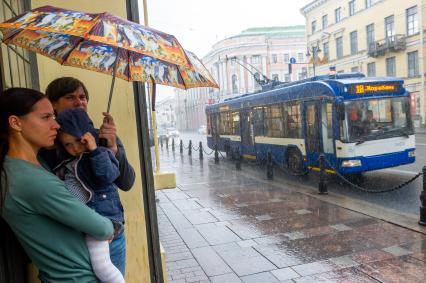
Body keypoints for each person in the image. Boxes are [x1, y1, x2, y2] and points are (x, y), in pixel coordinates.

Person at [0, 88, 114, 282]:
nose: (56, 125)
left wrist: (110, 149)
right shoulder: (32, 181)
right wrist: (108, 225)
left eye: (54, 116)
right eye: (46, 117)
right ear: (15, 123)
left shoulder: (28, 166)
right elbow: (103, 228)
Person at [41, 77, 135, 275]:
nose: (79, 102)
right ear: (53, 104)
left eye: (83, 97)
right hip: (70, 238)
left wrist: (113, 148)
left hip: (109, 236)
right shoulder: (46, 144)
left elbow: (126, 182)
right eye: (70, 97)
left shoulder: (102, 136)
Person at [55, 108, 125, 283]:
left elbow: (109, 176)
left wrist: (94, 150)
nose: (74, 148)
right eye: (67, 144)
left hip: (105, 220)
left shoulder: (101, 153)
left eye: (78, 141)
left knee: (104, 270)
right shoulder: (68, 162)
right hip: (87, 224)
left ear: (88, 136)